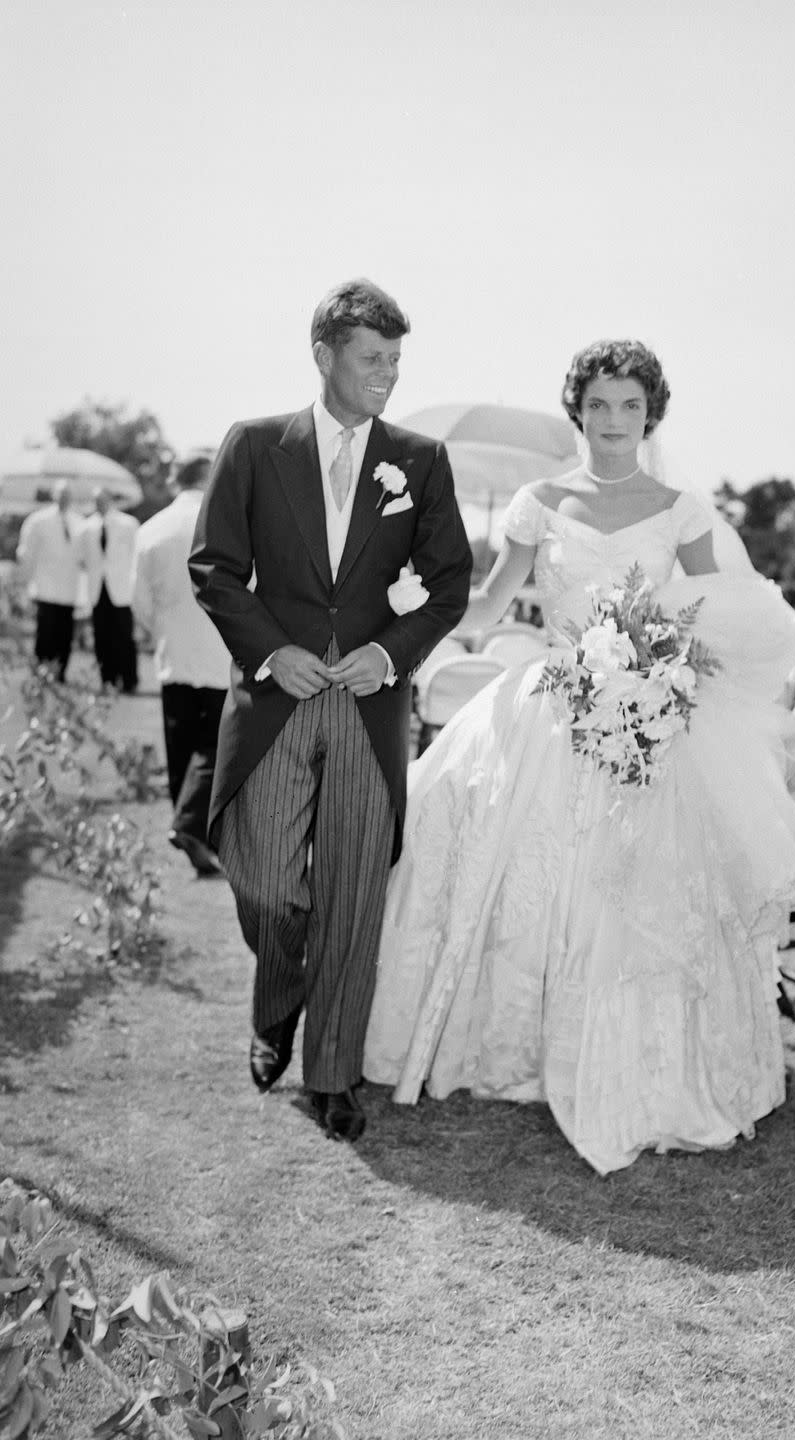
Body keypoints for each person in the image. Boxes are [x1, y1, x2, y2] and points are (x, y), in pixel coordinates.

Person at [364, 338, 795, 1174]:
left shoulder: (681, 509)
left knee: (642, 885)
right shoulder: (540, 502)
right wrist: (398, 606)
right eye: (601, 404)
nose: (615, 421)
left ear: (652, 415)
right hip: (549, 706)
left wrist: (657, 666)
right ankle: (515, 1045)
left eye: (631, 406)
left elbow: (716, 610)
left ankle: (642, 1058)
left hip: (649, 713)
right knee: (499, 854)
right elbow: (491, 601)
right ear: (578, 408)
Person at [189, 278, 473, 1142]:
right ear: (324, 356)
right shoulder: (252, 445)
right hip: (276, 698)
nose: (386, 373)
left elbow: (450, 583)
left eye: (395, 360)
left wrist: (388, 655)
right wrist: (274, 651)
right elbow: (215, 568)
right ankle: (278, 997)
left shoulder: (420, 460)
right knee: (266, 877)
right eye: (370, 358)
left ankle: (335, 1072)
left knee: (353, 891)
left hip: (369, 704)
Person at [132, 452, 231, 877]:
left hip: (173, 653)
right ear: (210, 478)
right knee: (215, 745)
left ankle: (186, 825)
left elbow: (137, 601)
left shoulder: (151, 529)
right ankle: (193, 828)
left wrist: (163, 631)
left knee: (182, 746)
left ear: (178, 480)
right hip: (221, 650)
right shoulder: (228, 522)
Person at [16, 480, 83, 681]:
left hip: (69, 589)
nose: (64, 498)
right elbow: (26, 553)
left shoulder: (78, 522)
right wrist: (26, 582)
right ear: (54, 495)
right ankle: (41, 671)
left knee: (64, 634)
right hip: (46, 587)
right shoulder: (38, 520)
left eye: (67, 494)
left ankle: (60, 671)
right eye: (61, 494)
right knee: (46, 633)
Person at [79, 488, 140, 692]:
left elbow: (135, 557)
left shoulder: (128, 524)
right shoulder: (87, 527)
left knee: (124, 636)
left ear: (110, 500)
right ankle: (108, 678)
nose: (100, 504)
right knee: (102, 637)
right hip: (98, 590)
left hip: (121, 590)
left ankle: (129, 679)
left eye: (103, 500)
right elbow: (85, 560)